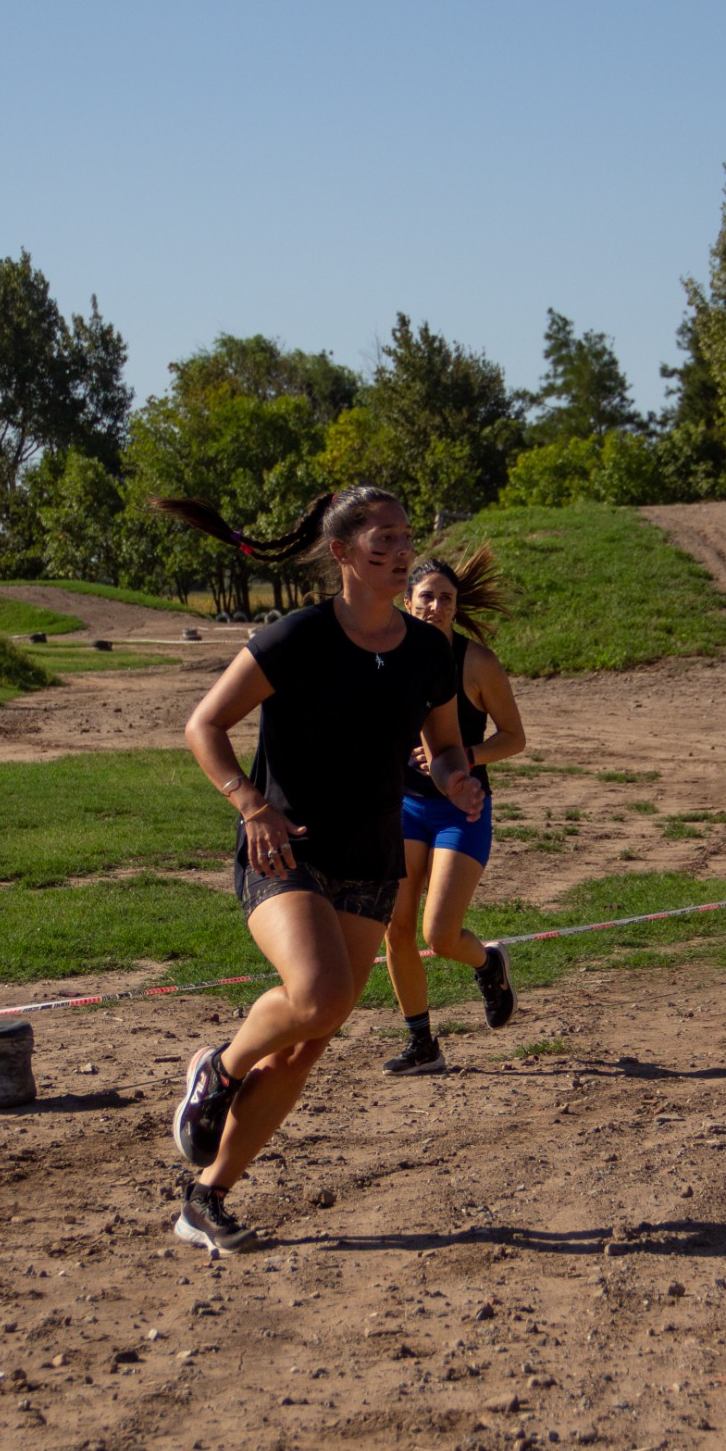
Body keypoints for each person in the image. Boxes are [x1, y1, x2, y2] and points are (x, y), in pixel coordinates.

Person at [154, 487, 485, 1254]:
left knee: (309, 1039)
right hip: (285, 850)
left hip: (371, 861)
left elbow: (446, 742)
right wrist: (248, 802)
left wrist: (457, 776)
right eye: (382, 542)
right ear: (341, 554)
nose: (400, 554)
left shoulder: (428, 651)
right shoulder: (297, 637)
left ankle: (206, 1200)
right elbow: (203, 724)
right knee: (321, 993)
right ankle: (220, 1066)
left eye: (406, 539)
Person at [383, 548, 526, 1076]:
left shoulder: (477, 663)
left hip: (460, 811)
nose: (436, 606)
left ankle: (489, 965)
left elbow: (515, 738)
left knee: (438, 935)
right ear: (407, 600)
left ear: (455, 605)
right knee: (395, 930)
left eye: (446, 598)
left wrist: (466, 755)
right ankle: (423, 1045)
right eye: (427, 596)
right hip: (402, 806)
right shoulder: (387, 656)